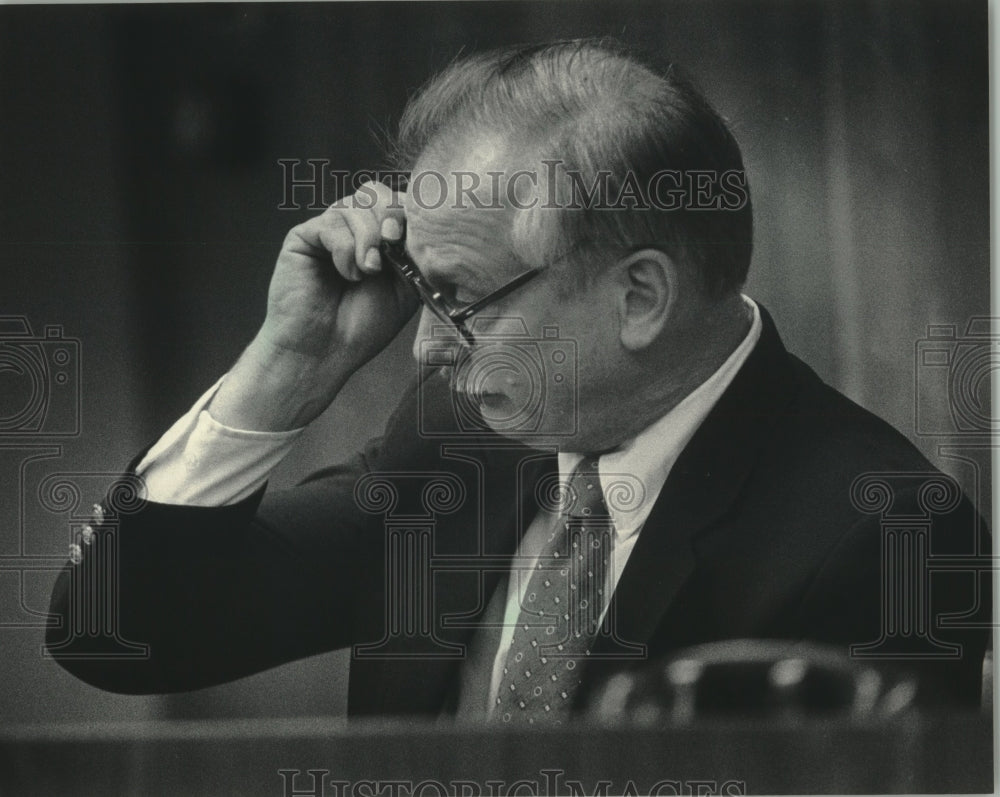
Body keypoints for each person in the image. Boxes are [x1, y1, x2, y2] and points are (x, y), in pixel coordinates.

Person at [47, 39, 989, 724]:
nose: (422, 350)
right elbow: (119, 634)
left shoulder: (883, 533)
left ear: (641, 296)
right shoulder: (454, 440)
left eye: (458, 297)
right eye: (422, 289)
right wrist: (289, 367)